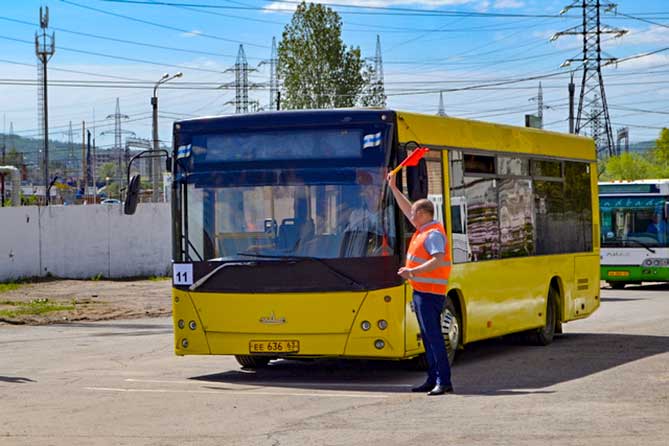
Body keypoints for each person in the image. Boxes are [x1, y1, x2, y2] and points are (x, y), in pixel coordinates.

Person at [387, 170, 453, 396]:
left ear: (425, 214)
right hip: (422, 292)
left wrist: (411, 272)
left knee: (434, 339)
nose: (410, 217)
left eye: (415, 214)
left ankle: (443, 381)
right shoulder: (424, 229)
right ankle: (432, 378)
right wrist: (394, 188)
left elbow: (438, 260)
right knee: (428, 339)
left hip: (430, 294)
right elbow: (406, 208)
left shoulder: (433, 234)